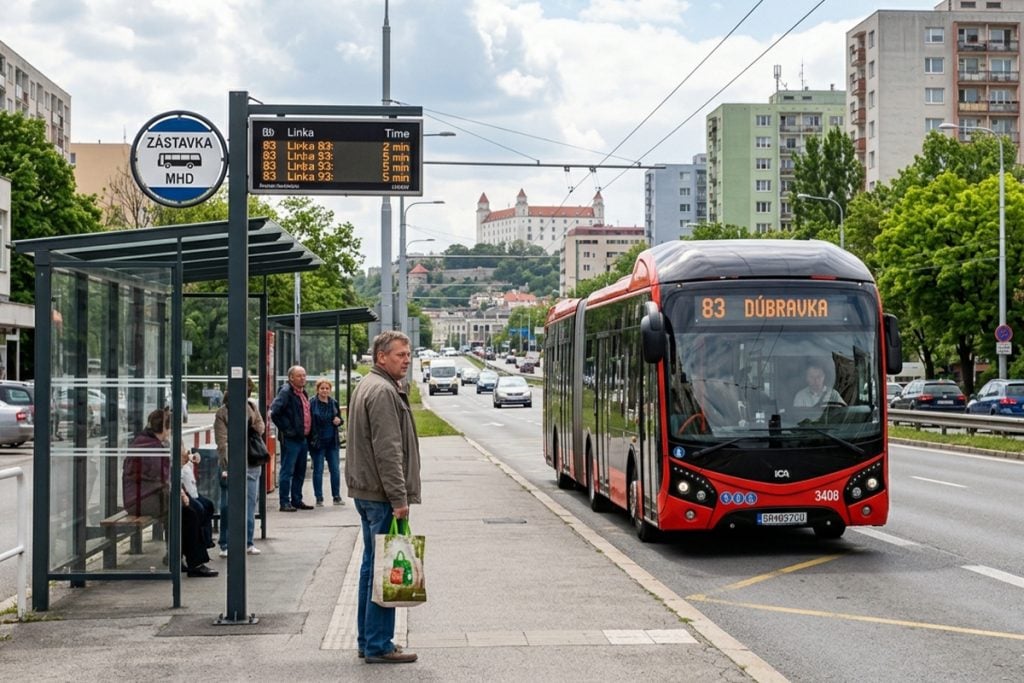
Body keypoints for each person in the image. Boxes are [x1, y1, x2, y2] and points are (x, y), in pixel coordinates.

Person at [345, 330, 421, 664]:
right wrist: (399, 498)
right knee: (385, 570)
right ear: (381, 357)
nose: (406, 359)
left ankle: (368, 640)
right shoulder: (383, 392)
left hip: (368, 492)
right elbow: (389, 451)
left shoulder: (368, 385)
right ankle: (379, 645)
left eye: (408, 354)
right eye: (400, 354)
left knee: (370, 568)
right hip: (381, 495)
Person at [124, 407, 217, 577]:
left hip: (145, 497)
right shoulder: (151, 447)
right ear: (163, 429)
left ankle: (178, 557)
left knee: (188, 511)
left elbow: (164, 478)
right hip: (143, 499)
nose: (169, 433)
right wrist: (181, 495)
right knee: (188, 514)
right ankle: (194, 563)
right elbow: (163, 479)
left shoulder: (148, 442)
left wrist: (180, 494)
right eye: (169, 428)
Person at [214, 377, 267, 555]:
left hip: (251, 461)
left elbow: (261, 427)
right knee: (228, 505)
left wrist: (250, 427)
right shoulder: (222, 413)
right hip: (231, 464)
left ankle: (248, 541)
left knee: (250, 503)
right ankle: (226, 543)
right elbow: (222, 443)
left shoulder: (251, 407)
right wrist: (228, 466)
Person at [270, 365, 314, 512]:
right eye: (299, 375)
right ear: (291, 378)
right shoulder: (286, 392)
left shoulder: (303, 393)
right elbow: (275, 412)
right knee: (287, 470)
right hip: (291, 439)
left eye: (304, 375)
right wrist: (287, 429)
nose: (303, 378)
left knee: (300, 470)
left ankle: (297, 499)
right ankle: (284, 502)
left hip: (303, 438)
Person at [309, 379, 345, 506]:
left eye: (327, 388)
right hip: (318, 442)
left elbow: (340, 419)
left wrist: (338, 421)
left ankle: (336, 496)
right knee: (318, 470)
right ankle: (319, 497)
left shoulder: (333, 403)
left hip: (332, 442)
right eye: (322, 388)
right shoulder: (312, 403)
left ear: (330, 389)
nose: (325, 391)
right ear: (318, 389)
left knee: (335, 469)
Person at [180, 446, 216, 551]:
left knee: (208, 505)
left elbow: (191, 457)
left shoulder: (187, 461)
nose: (186, 452)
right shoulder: (179, 465)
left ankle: (206, 537)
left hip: (193, 493)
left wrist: (193, 457)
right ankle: (200, 540)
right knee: (199, 509)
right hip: (187, 495)